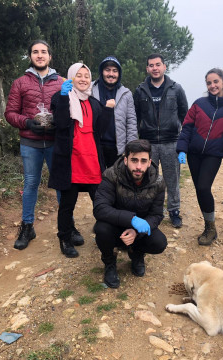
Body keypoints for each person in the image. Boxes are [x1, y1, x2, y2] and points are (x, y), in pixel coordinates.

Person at [5, 39, 83, 251]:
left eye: (44, 52)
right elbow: (10, 114)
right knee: (31, 183)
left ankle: (68, 226)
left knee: (61, 185)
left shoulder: (61, 82)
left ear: (50, 56)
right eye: (35, 52)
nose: (40, 55)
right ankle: (27, 226)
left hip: (56, 143)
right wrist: (28, 122)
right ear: (30, 56)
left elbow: (74, 109)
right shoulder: (20, 83)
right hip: (30, 142)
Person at [48, 62, 115, 258]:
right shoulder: (61, 97)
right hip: (71, 161)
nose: (83, 79)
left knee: (101, 202)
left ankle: (107, 235)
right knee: (68, 204)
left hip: (92, 161)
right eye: (79, 75)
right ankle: (65, 238)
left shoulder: (94, 103)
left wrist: (109, 110)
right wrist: (62, 97)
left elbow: (100, 131)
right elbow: (60, 124)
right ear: (71, 78)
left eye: (87, 75)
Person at [176, 68, 223, 245]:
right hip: (194, 154)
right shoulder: (199, 104)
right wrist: (182, 149)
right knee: (199, 190)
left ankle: (211, 228)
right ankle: (208, 225)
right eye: (209, 83)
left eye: (215, 82)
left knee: (204, 187)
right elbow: (187, 126)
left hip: (213, 155)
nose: (212, 85)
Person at [93, 139, 167, 288]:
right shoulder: (111, 175)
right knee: (101, 229)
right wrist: (131, 219)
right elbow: (100, 208)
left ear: (149, 162)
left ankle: (136, 253)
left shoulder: (158, 182)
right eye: (134, 160)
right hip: (115, 226)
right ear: (125, 160)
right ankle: (109, 262)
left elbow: (157, 215)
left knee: (159, 242)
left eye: (143, 161)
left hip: (138, 229)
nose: (138, 166)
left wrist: (136, 232)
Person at [133, 53, 188, 228]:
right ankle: (151, 212)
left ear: (165, 67)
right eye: (151, 65)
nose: (155, 68)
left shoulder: (176, 89)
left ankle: (174, 211)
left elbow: (184, 115)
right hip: (148, 143)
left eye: (158, 64)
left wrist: (182, 141)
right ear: (147, 68)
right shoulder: (140, 90)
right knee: (149, 180)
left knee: (172, 180)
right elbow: (135, 116)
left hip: (171, 141)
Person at [92, 56, 138, 167]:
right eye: (107, 70)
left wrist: (131, 149)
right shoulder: (91, 89)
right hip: (95, 146)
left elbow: (131, 122)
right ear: (101, 72)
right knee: (98, 182)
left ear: (119, 73)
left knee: (117, 182)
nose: (111, 74)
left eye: (115, 71)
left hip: (118, 149)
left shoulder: (126, 94)